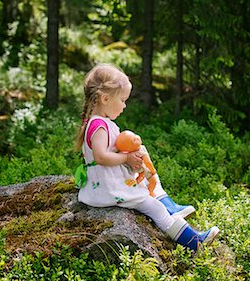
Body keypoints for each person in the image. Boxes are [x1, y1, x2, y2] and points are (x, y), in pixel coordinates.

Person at [75, 63, 219, 251]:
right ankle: (195, 242)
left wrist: (132, 155)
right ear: (105, 98)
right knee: (154, 208)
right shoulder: (99, 126)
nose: (125, 106)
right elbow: (101, 157)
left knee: (147, 181)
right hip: (107, 187)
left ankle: (172, 207)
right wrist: (126, 159)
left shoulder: (102, 123)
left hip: (111, 180)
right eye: (123, 100)